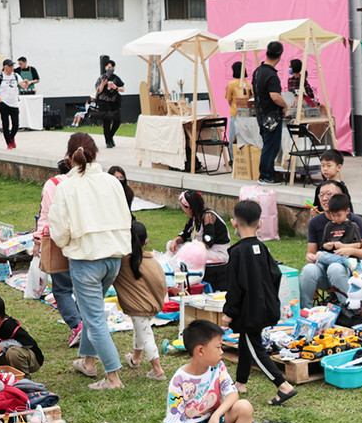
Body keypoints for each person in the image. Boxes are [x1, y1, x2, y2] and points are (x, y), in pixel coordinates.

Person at [48, 132, 132, 389]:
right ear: (96, 153)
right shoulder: (111, 182)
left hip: (86, 260)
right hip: (113, 258)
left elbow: (59, 230)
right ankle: (88, 362)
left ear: (69, 157)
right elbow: (126, 216)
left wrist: (66, 244)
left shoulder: (66, 187)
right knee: (90, 311)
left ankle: (113, 376)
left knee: (94, 318)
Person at [145, 320, 257, 423]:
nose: (222, 351)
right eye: (218, 347)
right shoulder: (179, 381)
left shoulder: (218, 367)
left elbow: (233, 394)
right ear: (201, 350)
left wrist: (216, 415)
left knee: (244, 407)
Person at [223, 199, 297, 407]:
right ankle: (240, 382)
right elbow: (275, 275)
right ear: (260, 224)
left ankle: (283, 386)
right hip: (265, 308)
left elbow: (235, 288)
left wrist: (229, 312)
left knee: (255, 348)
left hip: (248, 312)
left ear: (234, 223)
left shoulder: (236, 253)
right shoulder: (262, 248)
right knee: (247, 343)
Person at [34, 158, 83, 348]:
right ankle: (87, 325)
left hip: (59, 240)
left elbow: (45, 215)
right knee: (83, 286)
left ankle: (77, 325)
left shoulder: (53, 184)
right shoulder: (85, 181)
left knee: (62, 288)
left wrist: (38, 241)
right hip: (84, 240)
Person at [298, 182, 362, 308]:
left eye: (329, 194)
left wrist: (348, 251)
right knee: (308, 270)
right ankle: (306, 312)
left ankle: (351, 310)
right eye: (321, 195)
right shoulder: (316, 222)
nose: (324, 198)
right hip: (324, 269)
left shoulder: (354, 221)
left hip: (347, 271)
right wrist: (310, 256)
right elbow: (311, 252)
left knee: (335, 268)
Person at [112, 220, 166, 382]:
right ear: (146, 242)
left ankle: (158, 371)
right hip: (153, 305)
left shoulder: (121, 261)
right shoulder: (152, 261)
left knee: (146, 334)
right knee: (141, 330)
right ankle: (135, 359)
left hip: (138, 307)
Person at [252, 41, 287, 184]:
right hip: (271, 116)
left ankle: (268, 174)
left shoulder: (257, 71)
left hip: (260, 114)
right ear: (279, 56)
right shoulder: (271, 75)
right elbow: (275, 96)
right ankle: (266, 175)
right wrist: (285, 106)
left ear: (266, 52)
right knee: (271, 146)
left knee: (268, 144)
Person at [166, 190, 230, 265]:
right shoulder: (193, 217)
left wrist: (190, 248)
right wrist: (175, 241)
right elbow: (185, 235)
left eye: (183, 205)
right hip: (201, 249)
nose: (181, 206)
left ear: (189, 208)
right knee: (170, 245)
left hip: (216, 252)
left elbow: (208, 243)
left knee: (191, 254)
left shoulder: (208, 216)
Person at [316, 196, 362, 267]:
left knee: (322, 257)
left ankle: (345, 261)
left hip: (348, 257)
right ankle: (344, 261)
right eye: (333, 215)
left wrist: (343, 246)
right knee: (319, 255)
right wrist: (327, 245)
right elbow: (323, 244)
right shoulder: (329, 225)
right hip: (332, 257)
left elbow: (358, 245)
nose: (336, 218)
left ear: (347, 211)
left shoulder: (352, 226)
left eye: (339, 215)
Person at [0, 59, 21, 150]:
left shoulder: (16, 76)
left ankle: (12, 136)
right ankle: (9, 143)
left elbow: (23, 85)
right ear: (4, 67)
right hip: (3, 103)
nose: (12, 68)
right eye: (10, 66)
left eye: (12, 66)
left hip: (14, 103)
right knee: (5, 124)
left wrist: (26, 83)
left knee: (16, 125)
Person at [95, 60, 124, 148]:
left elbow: (122, 89)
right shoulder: (101, 78)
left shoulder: (116, 78)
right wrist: (103, 84)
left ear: (114, 68)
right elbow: (98, 91)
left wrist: (115, 87)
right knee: (106, 122)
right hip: (103, 102)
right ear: (105, 68)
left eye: (111, 67)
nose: (110, 69)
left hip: (114, 102)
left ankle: (110, 137)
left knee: (117, 120)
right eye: (108, 67)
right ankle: (108, 141)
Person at [224, 61, 251, 144]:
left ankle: (233, 156)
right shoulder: (248, 84)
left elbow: (229, 100)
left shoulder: (231, 84)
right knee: (245, 139)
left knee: (233, 139)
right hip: (246, 115)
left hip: (235, 114)